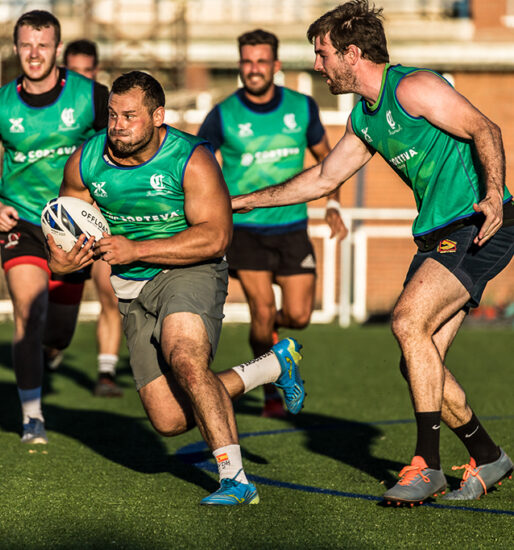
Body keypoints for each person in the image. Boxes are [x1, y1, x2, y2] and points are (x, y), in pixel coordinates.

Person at [232, 0, 514, 505]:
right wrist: (240, 202)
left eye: (321, 54)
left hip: (478, 223)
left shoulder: (413, 87)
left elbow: (485, 130)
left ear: (352, 53)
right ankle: (489, 455)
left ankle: (425, 464)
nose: (316, 65)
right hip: (438, 235)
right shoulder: (364, 118)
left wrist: (494, 194)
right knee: (418, 362)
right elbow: (322, 178)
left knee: (408, 323)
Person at [48, 71, 306, 505]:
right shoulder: (86, 161)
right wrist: (61, 258)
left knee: (186, 358)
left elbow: (216, 237)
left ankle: (235, 480)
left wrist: (136, 248)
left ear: (158, 116)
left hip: (192, 269)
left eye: (130, 116)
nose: (118, 125)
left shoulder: (191, 158)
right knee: (168, 419)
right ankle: (272, 368)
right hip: (131, 288)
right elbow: (63, 225)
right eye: (112, 115)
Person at [0, 11, 110, 443]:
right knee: (29, 313)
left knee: (59, 330)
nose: (34, 53)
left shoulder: (90, 96)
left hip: (75, 225)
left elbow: (117, 149)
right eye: (27, 44)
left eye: (43, 45)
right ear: (16, 48)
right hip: (22, 219)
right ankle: (32, 415)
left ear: (57, 49)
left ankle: (49, 353)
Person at [198, 29, 347, 418]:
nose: (254, 69)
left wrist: (334, 204)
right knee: (262, 312)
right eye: (247, 61)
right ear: (239, 65)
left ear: (276, 65)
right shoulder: (222, 115)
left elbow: (328, 160)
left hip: (292, 228)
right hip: (246, 231)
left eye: (262, 61)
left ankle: (276, 351)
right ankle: (269, 388)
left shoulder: (302, 107)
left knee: (299, 316)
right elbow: (200, 171)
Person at [64, 38, 123, 397]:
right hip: (60, 216)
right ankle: (53, 349)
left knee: (108, 293)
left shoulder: (106, 108)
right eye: (74, 72)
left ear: (96, 72)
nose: (81, 78)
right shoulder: (54, 109)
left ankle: (106, 372)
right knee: (59, 315)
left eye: (86, 71)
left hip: (99, 215)